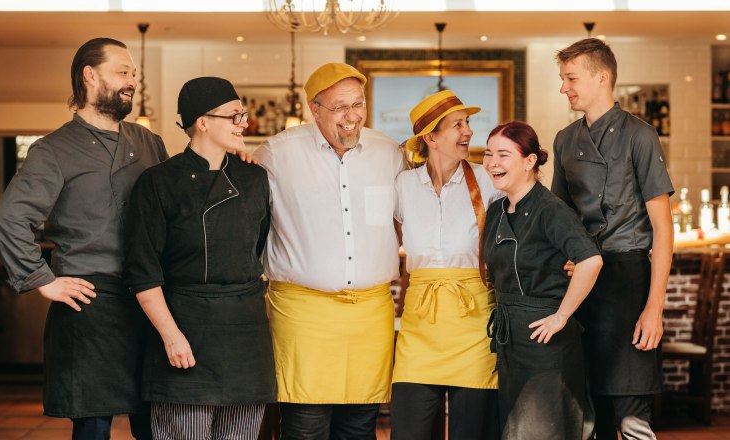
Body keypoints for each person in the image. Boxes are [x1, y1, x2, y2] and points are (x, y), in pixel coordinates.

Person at [0, 37, 168, 440]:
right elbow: (10, 218)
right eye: (122, 72)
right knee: (93, 424)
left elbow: (177, 207)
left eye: (134, 74)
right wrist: (43, 279)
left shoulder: (149, 143)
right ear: (89, 75)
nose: (132, 81)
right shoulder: (52, 150)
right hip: (89, 304)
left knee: (155, 422)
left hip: (150, 297)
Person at [253, 62, 407, 440]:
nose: (351, 116)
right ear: (314, 109)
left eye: (358, 104)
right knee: (305, 426)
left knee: (360, 426)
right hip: (302, 313)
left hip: (370, 314)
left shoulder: (388, 152)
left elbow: (406, 222)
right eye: (339, 107)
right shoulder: (275, 153)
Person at [123, 77, 276, 439]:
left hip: (245, 330)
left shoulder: (255, 178)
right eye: (235, 116)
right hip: (186, 326)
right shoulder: (158, 182)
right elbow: (142, 271)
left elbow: (255, 248)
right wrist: (170, 334)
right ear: (202, 122)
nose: (244, 123)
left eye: (244, 115)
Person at [553, 38, 675, 440]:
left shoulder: (641, 135)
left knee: (632, 416)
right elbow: (560, 218)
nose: (563, 87)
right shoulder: (565, 139)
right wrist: (566, 257)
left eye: (570, 78)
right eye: (562, 78)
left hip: (629, 282)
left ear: (601, 77)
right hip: (584, 284)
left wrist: (655, 306)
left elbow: (662, 227)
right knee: (589, 415)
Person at [390, 90, 500, 440]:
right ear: (431, 137)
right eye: (457, 124)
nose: (468, 131)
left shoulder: (488, 182)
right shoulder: (403, 186)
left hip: (474, 325)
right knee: (409, 431)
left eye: (467, 123)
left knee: (473, 432)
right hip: (419, 327)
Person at [483, 121, 603, 439]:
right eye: (489, 153)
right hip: (511, 340)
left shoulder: (550, 210)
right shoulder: (496, 211)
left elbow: (590, 260)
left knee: (545, 430)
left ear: (530, 161)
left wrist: (561, 316)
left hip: (545, 341)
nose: (493, 162)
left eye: (504, 154)